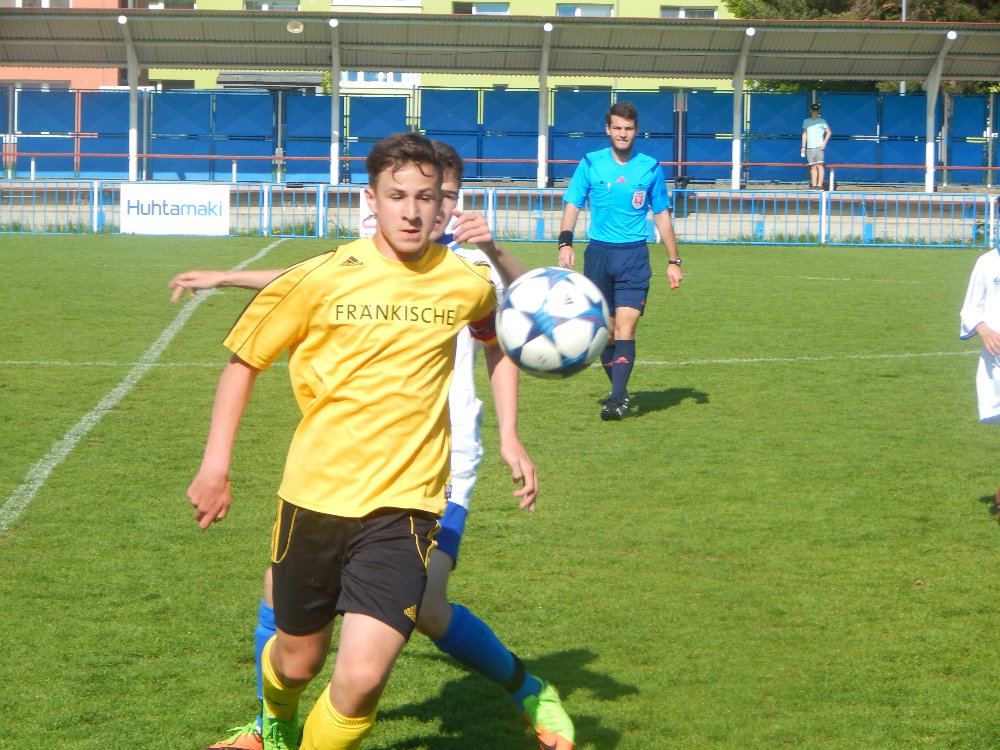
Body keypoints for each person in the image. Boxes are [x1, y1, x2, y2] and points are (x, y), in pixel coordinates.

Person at [175, 140, 575, 750]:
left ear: (444, 203)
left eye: (427, 197)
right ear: (372, 200)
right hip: (316, 495)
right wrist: (214, 466)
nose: (413, 211)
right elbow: (247, 357)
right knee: (299, 661)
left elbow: (504, 330)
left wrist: (510, 434)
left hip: (410, 500)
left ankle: (526, 690)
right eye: (398, 197)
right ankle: (274, 718)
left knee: (362, 678)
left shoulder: (466, 279)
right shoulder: (326, 274)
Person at [556, 100, 682, 421]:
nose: (623, 133)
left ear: (636, 131)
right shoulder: (590, 163)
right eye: (617, 128)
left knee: (626, 328)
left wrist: (674, 261)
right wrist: (565, 242)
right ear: (608, 129)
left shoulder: (650, 168)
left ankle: (615, 399)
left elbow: (662, 215)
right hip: (598, 256)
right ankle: (621, 392)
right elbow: (573, 203)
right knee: (607, 334)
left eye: (628, 128)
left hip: (633, 257)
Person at [800, 102, 831, 190]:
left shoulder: (822, 121)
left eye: (816, 110)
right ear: (811, 110)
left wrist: (824, 143)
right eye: (814, 110)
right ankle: (814, 185)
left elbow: (829, 132)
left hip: (818, 147)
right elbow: (804, 134)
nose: (815, 112)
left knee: (819, 166)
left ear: (819, 111)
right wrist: (803, 147)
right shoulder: (806, 121)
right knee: (813, 166)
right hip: (809, 147)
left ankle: (820, 185)